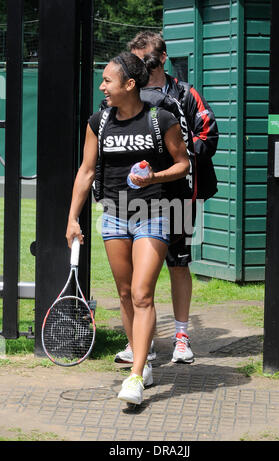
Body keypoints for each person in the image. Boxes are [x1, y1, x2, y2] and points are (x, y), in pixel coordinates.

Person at [65, 52, 190, 405]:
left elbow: (182, 164)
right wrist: (73, 218)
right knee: (123, 294)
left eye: (108, 81)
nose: (102, 86)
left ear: (129, 84)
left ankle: (135, 377)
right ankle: (142, 359)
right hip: (115, 215)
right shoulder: (98, 122)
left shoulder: (160, 119)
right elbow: (87, 171)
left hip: (154, 212)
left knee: (141, 293)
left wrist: (154, 176)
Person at [114, 31, 219, 365]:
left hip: (178, 194)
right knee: (134, 275)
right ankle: (138, 342)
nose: (136, 67)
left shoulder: (185, 94)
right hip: (135, 197)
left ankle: (181, 337)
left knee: (178, 262)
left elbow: (208, 134)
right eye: (132, 61)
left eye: (141, 60)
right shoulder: (128, 95)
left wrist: (176, 153)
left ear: (160, 58)